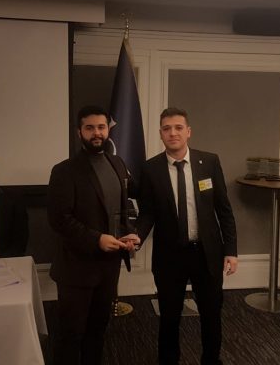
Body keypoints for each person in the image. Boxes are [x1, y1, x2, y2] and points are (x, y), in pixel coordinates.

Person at [137, 107, 238, 365]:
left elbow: (224, 210)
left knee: (211, 315)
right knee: (169, 317)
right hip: (170, 256)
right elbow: (147, 213)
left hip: (207, 254)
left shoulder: (210, 162)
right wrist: (136, 237)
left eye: (178, 128)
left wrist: (231, 250)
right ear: (160, 133)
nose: (173, 133)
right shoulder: (150, 169)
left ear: (188, 131)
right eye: (167, 128)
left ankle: (211, 361)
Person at [48, 105, 140, 365]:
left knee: (97, 332)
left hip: (109, 268)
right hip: (76, 269)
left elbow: (122, 208)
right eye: (89, 128)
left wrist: (129, 233)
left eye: (101, 127)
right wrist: (96, 239)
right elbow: (59, 220)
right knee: (70, 336)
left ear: (108, 130)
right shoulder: (64, 170)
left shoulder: (117, 163)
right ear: (79, 132)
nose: (96, 133)